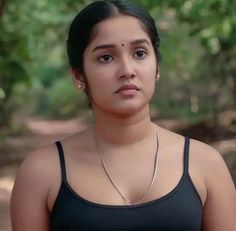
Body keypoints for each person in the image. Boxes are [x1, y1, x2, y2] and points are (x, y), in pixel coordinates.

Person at [10, 1, 236, 230]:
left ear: (157, 67)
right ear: (79, 75)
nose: (127, 70)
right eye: (106, 57)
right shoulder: (41, 172)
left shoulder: (206, 165)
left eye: (139, 53)